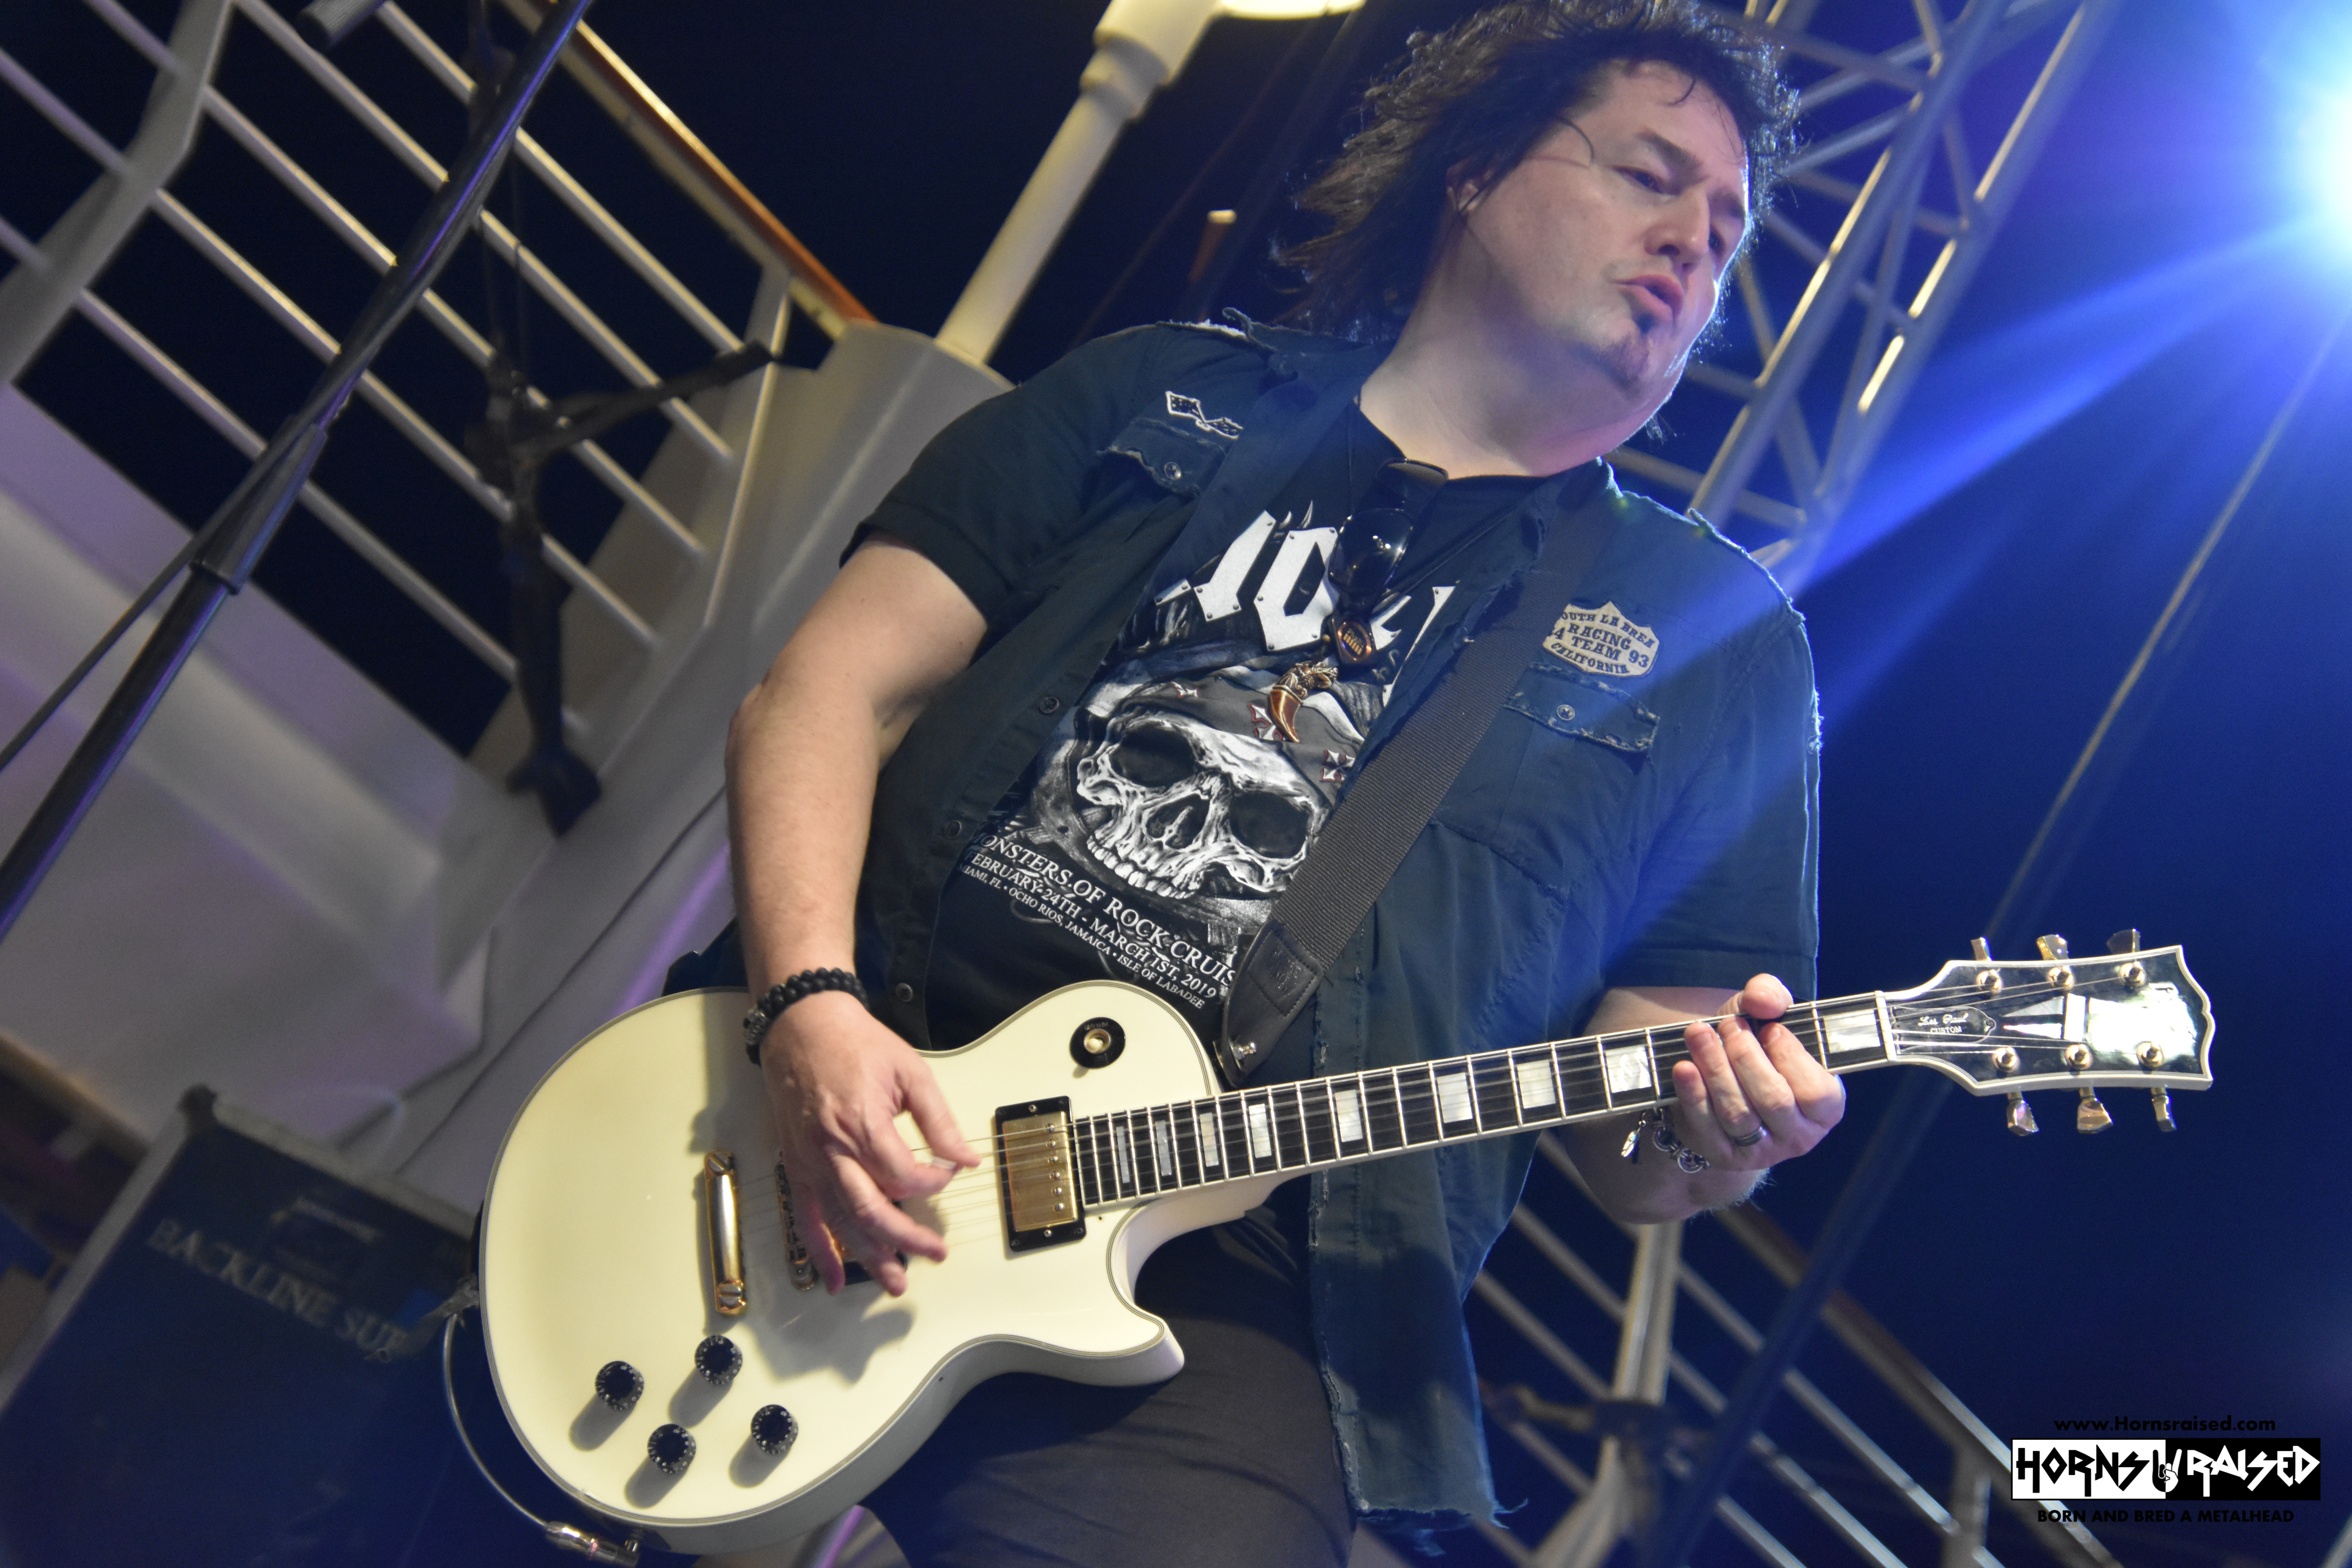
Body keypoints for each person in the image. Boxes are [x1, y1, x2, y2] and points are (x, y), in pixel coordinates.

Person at [715, 2, 1844, 1561]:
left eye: (1723, 235)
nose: (1690, 246)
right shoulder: (1161, 393)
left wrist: (1719, 1134)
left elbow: (1641, 1136)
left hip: (1247, 1295)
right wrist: (807, 1008)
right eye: (1651, 176)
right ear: (1476, 167)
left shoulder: (1718, 638)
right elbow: (826, 690)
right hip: (834, 1093)